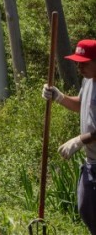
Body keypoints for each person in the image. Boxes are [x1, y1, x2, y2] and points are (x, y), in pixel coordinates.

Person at [42, 39, 96, 234]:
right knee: (86, 208)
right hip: (91, 161)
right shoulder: (88, 81)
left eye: (85, 63)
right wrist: (59, 96)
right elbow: (81, 104)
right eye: (78, 62)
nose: (79, 67)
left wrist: (80, 140)